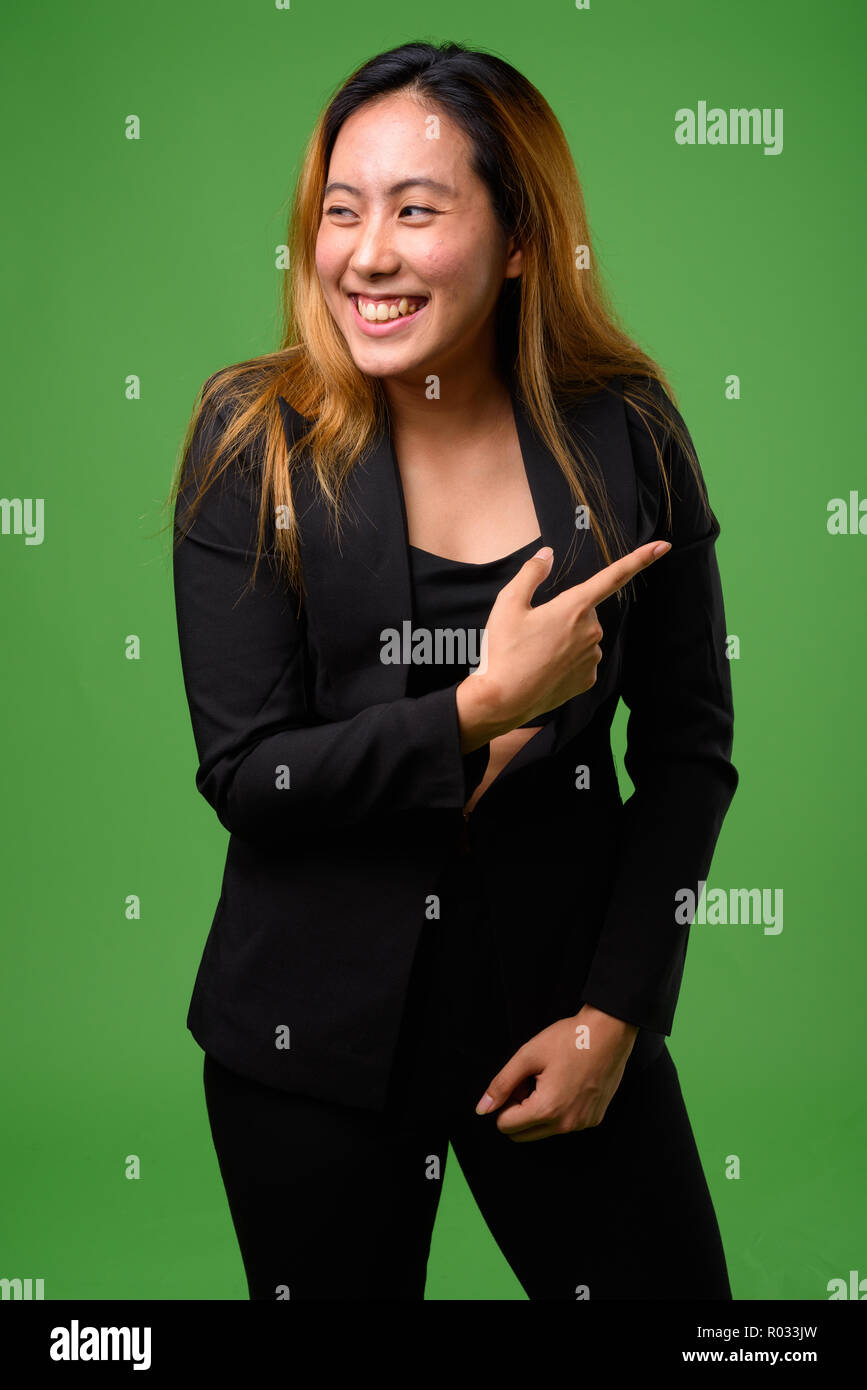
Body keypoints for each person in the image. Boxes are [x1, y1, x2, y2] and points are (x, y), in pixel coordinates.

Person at [169, 39, 739, 1301]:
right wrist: (480, 710)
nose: (366, 253)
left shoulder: (628, 426)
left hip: (560, 1018)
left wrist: (615, 1017)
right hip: (306, 1044)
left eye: (417, 209)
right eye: (340, 209)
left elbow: (692, 749)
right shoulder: (249, 439)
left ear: (522, 237)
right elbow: (249, 776)